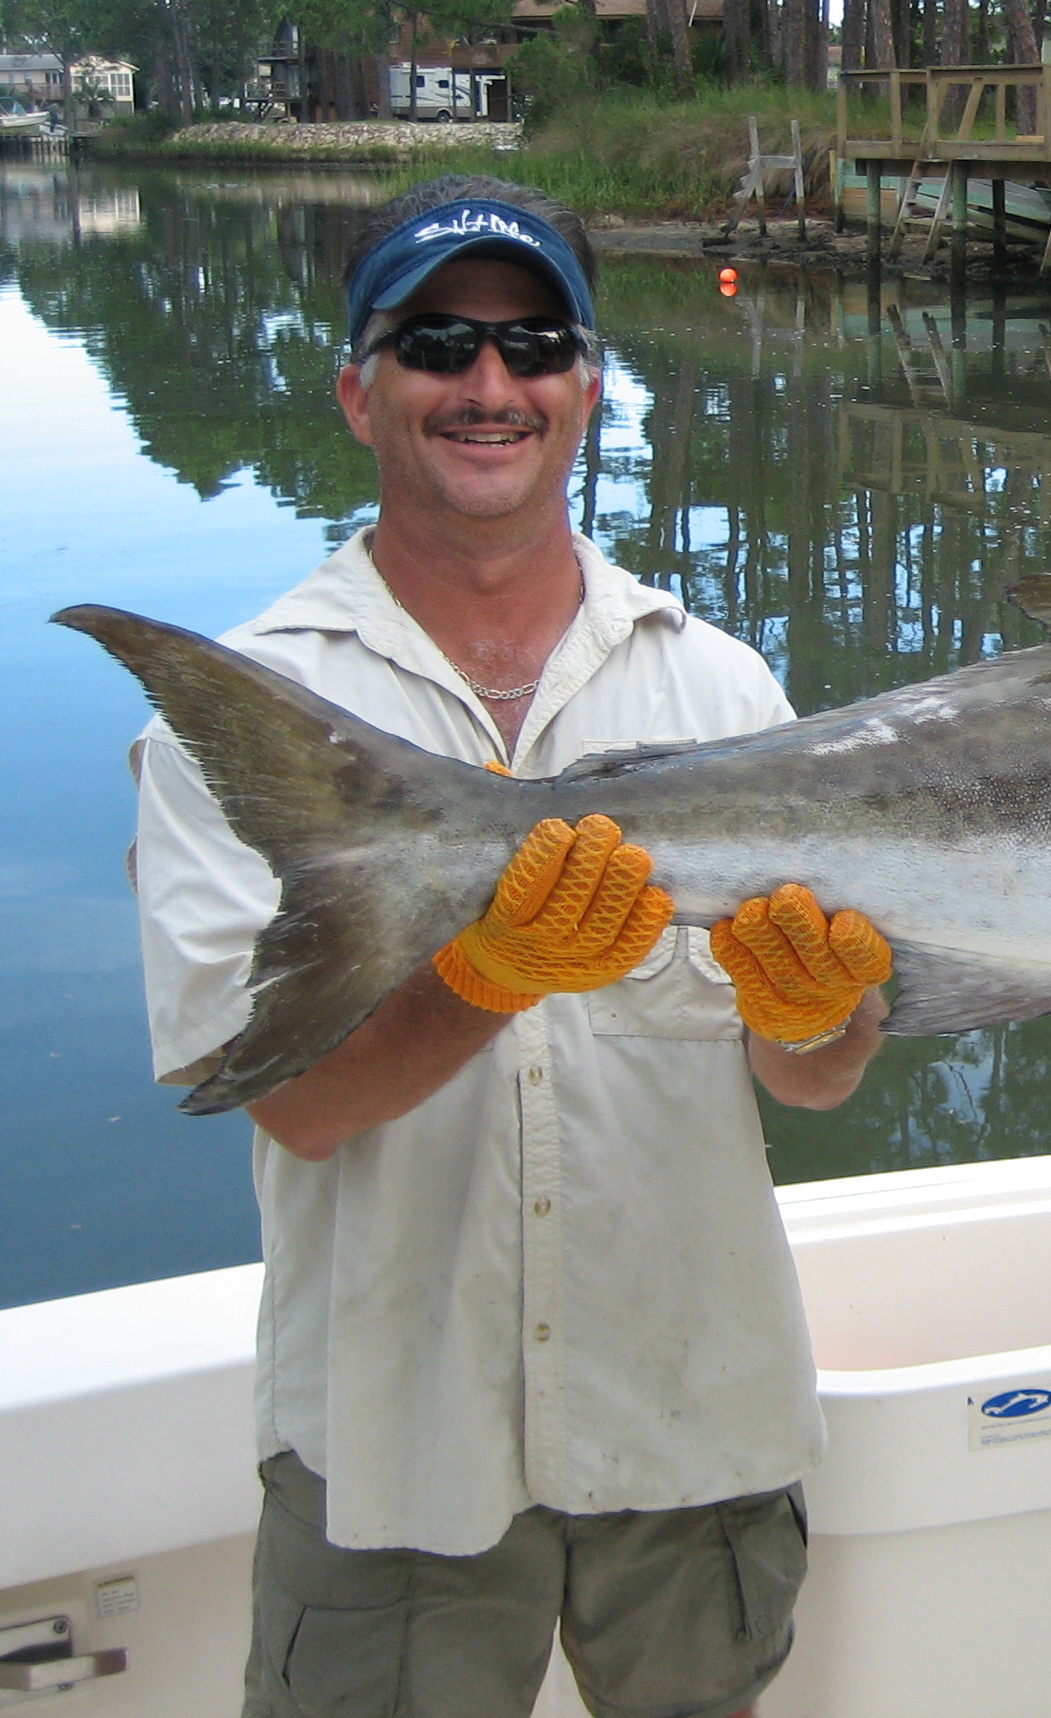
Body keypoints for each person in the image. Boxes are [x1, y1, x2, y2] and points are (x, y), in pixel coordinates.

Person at [129, 175, 891, 1718]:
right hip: (391, 1451)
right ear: (358, 388)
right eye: (436, 345)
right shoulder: (246, 716)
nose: (491, 386)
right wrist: (485, 976)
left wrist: (824, 1015)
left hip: (696, 1424)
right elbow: (292, 1099)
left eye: (535, 344)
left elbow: (810, 1081)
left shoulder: (725, 688)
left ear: (591, 385)